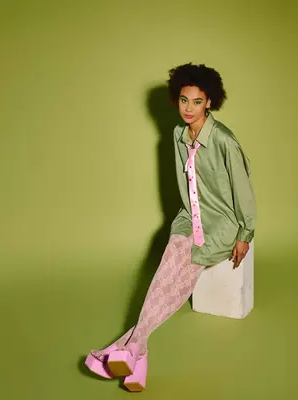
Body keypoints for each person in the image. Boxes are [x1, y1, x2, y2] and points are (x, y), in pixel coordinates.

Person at [84, 63, 257, 392]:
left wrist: (244, 234)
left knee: (181, 281)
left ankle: (129, 349)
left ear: (209, 102)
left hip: (221, 223)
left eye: (196, 101)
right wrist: (189, 219)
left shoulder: (223, 140)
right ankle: (138, 351)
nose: (188, 108)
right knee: (167, 269)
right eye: (183, 100)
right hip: (189, 215)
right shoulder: (179, 135)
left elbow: (244, 192)